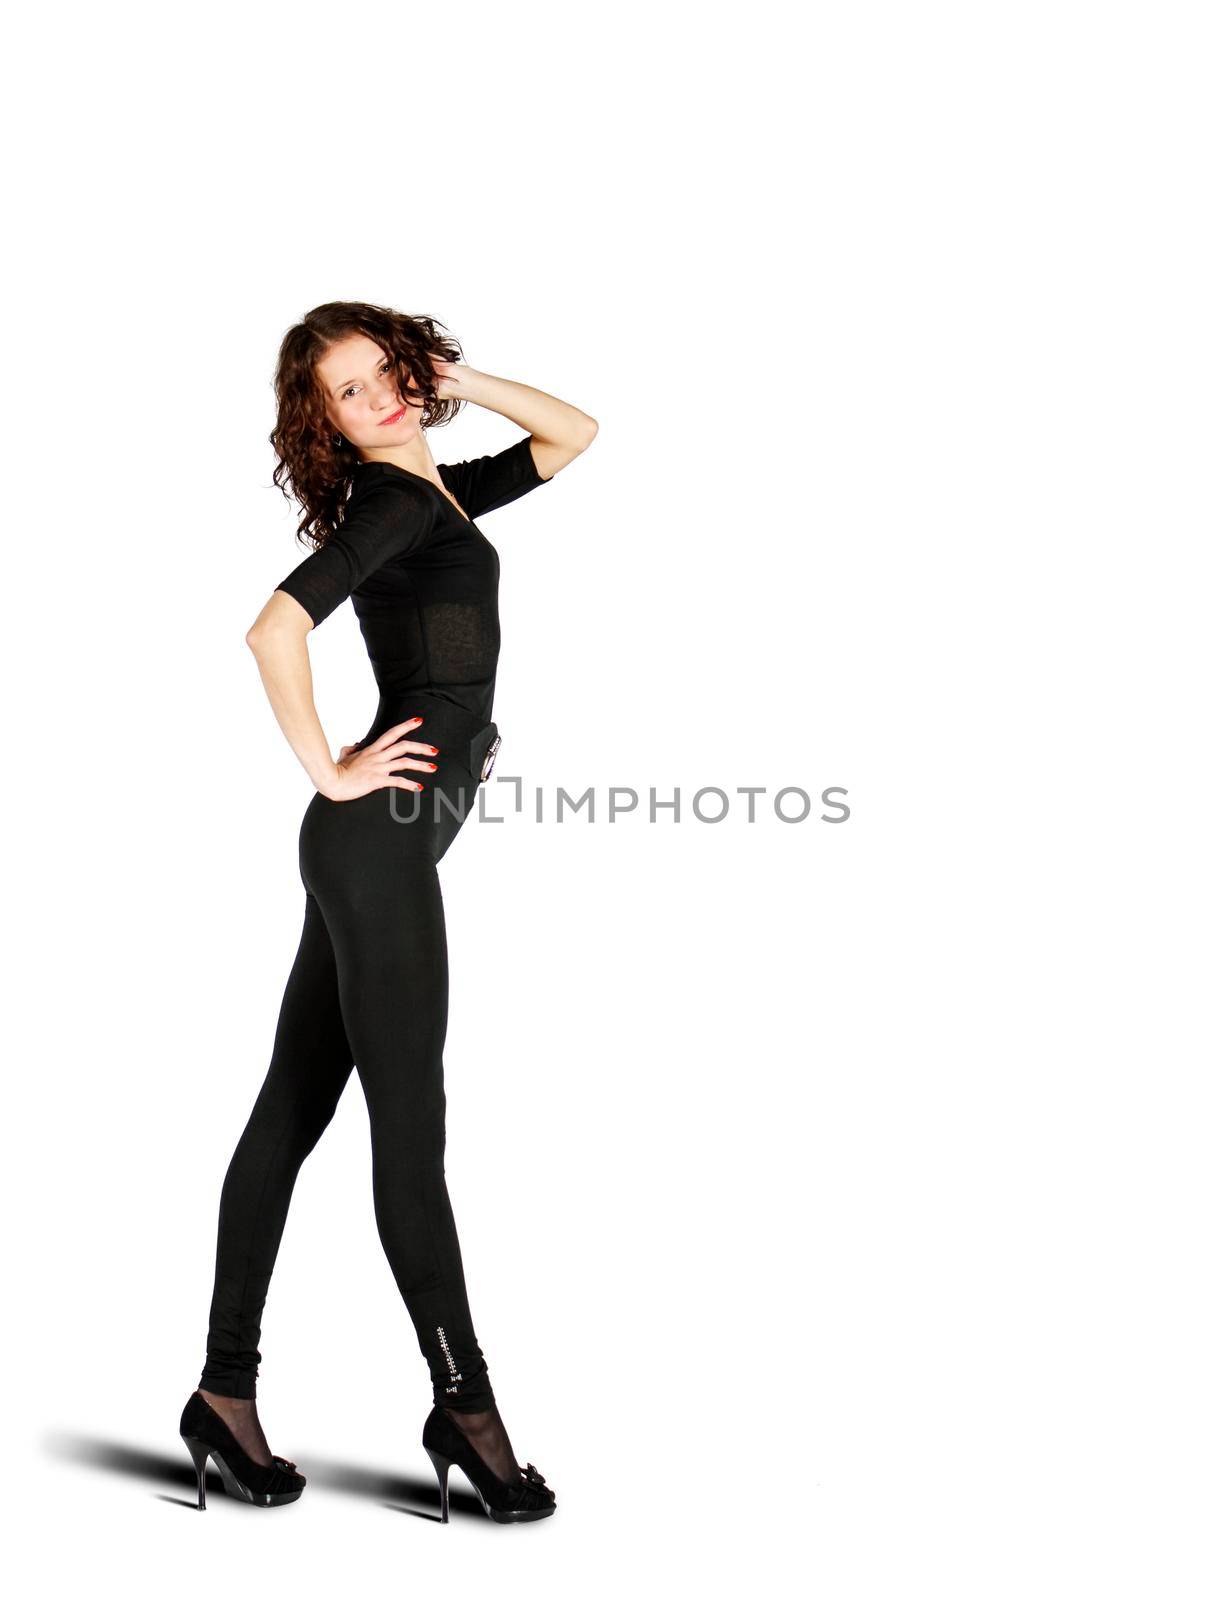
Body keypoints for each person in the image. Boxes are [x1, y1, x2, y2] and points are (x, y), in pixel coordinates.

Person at [178, 301, 597, 1521]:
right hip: (375, 841)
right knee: (410, 1129)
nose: (378, 401)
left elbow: (574, 433)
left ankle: (222, 1394)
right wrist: (328, 769)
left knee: (291, 1108)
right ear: (325, 426)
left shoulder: (443, 494)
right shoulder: (398, 506)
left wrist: (453, 375)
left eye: (385, 374)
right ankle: (466, 1408)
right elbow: (273, 630)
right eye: (347, 394)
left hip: (382, 846)